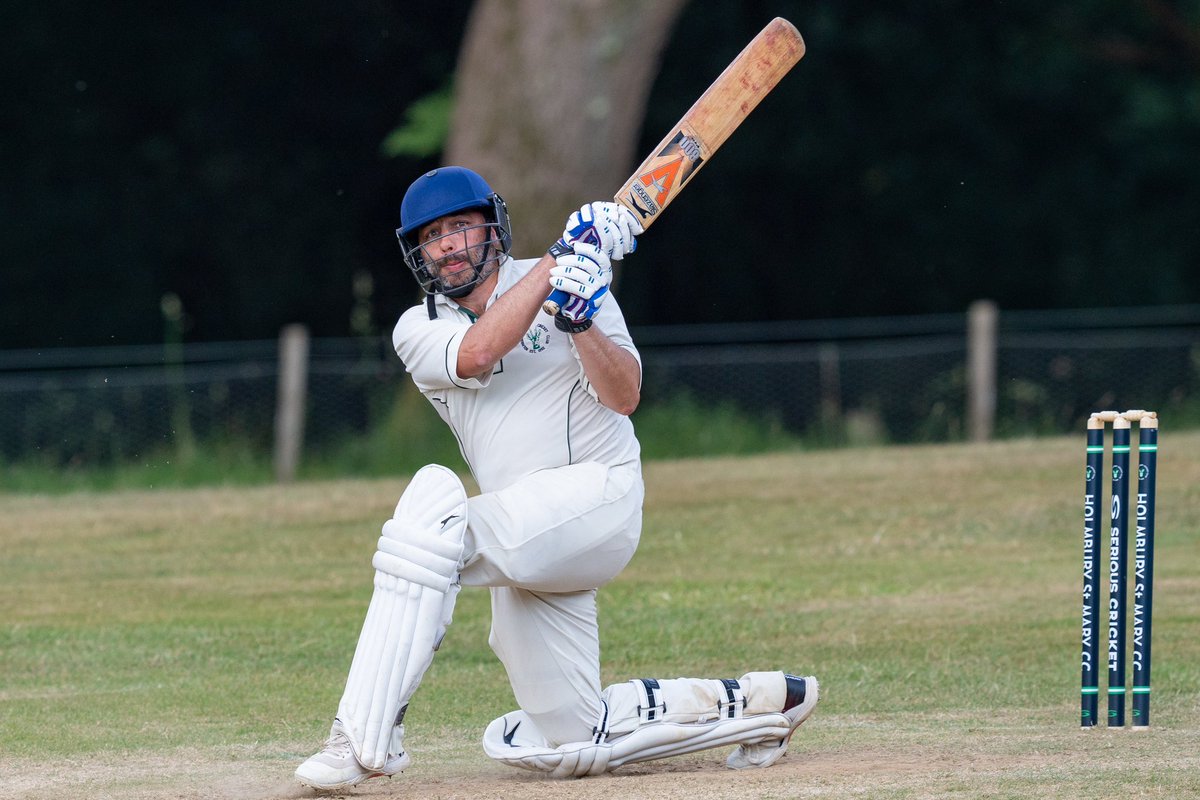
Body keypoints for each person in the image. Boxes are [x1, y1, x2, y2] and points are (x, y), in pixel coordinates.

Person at [294, 166, 820, 790]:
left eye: (462, 227)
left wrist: (582, 322)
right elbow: (478, 352)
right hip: (528, 532)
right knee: (569, 739)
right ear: (419, 252)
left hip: (600, 497)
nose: (451, 245)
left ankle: (361, 738)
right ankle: (762, 704)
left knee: (431, 515)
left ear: (492, 228)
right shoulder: (418, 328)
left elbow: (625, 396)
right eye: (434, 236)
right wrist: (560, 261)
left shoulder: (576, 281)